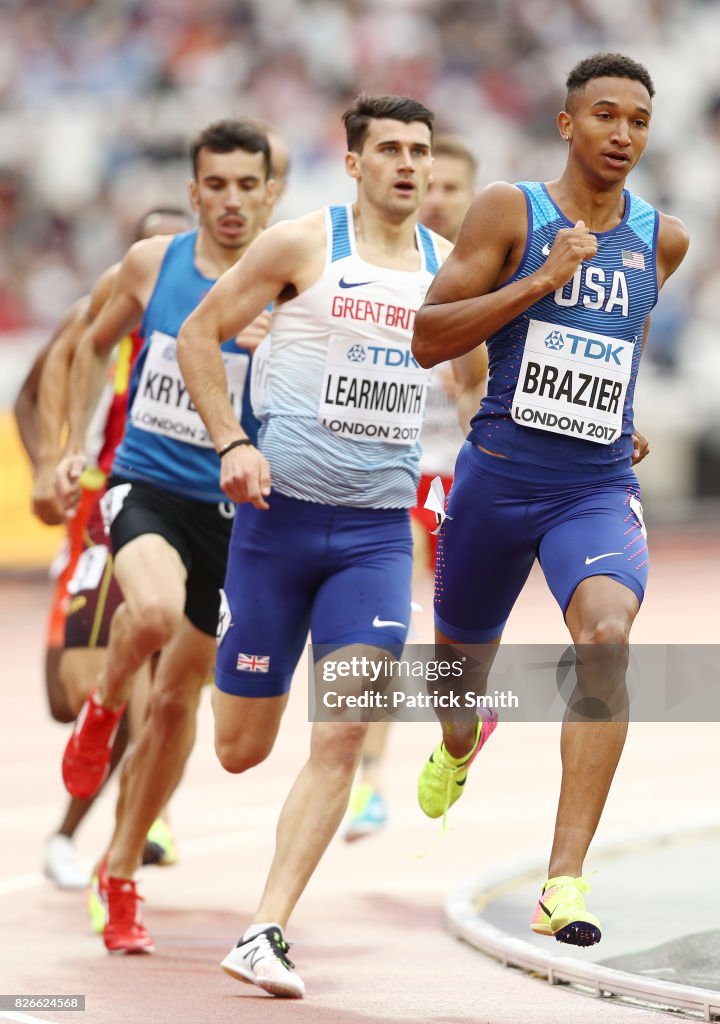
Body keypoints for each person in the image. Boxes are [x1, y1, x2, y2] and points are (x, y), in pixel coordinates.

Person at [411, 52, 688, 947]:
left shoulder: (662, 238)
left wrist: (618, 412)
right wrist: (537, 279)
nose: (622, 134)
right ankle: (462, 737)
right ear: (568, 124)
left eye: (638, 121)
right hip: (495, 478)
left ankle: (563, 880)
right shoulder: (510, 210)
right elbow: (425, 337)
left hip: (594, 485)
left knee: (606, 635)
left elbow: (621, 338)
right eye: (604, 115)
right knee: (459, 678)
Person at [177, 93, 450, 998]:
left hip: (375, 539)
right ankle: (244, 663)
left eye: (421, 149)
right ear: (356, 163)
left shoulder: (449, 272)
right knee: (241, 748)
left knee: (339, 736)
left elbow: (482, 392)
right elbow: (198, 334)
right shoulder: (303, 243)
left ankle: (266, 930)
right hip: (274, 527)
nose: (409, 164)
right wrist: (231, 442)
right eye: (391, 150)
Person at [54, 119, 276, 954]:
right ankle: (103, 710)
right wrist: (77, 442)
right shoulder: (156, 264)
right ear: (194, 193)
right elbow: (88, 341)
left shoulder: (292, 283)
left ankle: (119, 872)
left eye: (244, 185)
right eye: (213, 185)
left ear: (267, 193)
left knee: (182, 701)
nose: (229, 200)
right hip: (148, 486)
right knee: (146, 613)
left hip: (237, 515)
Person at [13, 208, 192, 887]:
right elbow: (30, 400)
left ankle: (144, 820)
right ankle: (81, 828)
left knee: (157, 650)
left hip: (174, 512)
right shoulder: (101, 318)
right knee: (75, 696)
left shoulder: (219, 315)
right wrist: (45, 464)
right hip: (96, 512)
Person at [344, 135, 482, 842]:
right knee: (384, 613)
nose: (436, 200)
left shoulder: (496, 274)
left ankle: (462, 721)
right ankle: (368, 779)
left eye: (453, 189)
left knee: (452, 627)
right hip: (395, 471)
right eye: (431, 186)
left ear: (473, 197)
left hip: (467, 474)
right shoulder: (384, 268)